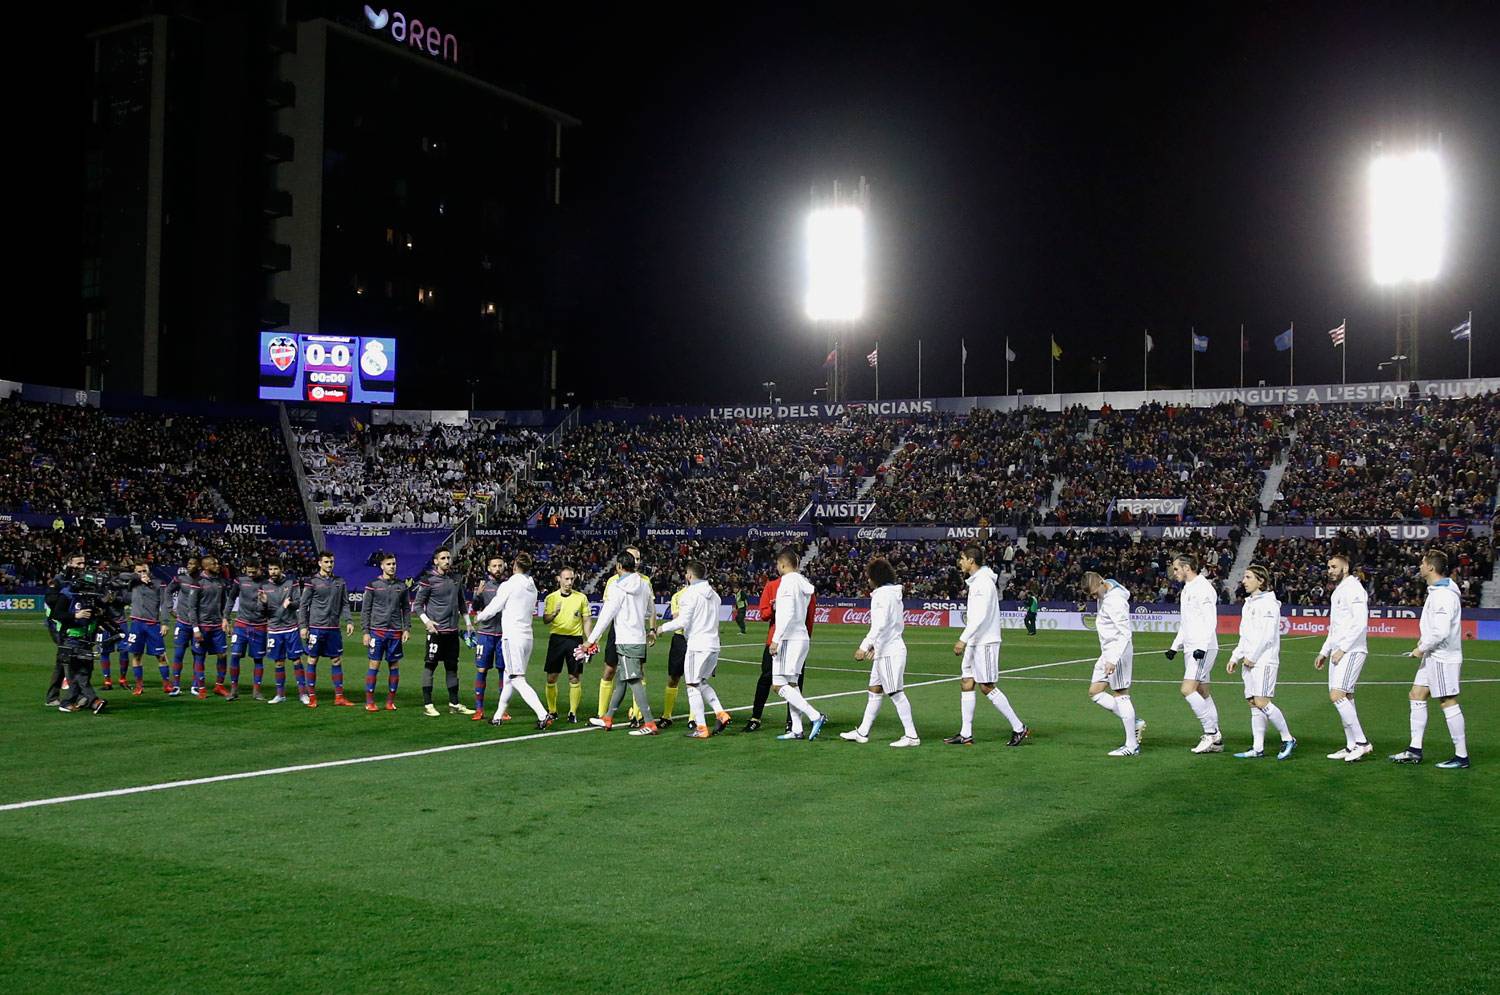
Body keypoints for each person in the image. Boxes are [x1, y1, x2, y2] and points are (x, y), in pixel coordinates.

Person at [1390, 550, 1469, 769]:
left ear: (1431, 567)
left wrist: (1421, 648)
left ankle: (1461, 756)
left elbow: (1441, 631)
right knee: (1416, 694)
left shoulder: (1443, 595)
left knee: (1447, 701)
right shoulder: (1438, 591)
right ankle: (1414, 750)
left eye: (1423, 563)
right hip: (1434, 655)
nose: (1420, 566)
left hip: (1442, 656)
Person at [944, 545, 1028, 747]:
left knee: (986, 686)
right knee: (967, 682)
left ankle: (1019, 727)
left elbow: (980, 616)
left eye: (962, 558)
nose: (960, 562)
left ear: (971, 560)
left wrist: (963, 639)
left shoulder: (983, 583)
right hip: (976, 641)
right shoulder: (978, 581)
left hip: (985, 641)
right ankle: (966, 734)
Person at [839, 556, 919, 747]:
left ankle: (911, 736)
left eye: (869, 576)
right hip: (885, 649)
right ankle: (862, 732)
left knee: (896, 693)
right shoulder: (891, 594)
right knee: (874, 689)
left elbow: (880, 624)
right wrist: (875, 646)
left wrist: (864, 646)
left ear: (876, 577)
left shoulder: (882, 595)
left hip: (890, 652)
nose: (868, 580)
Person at [584, 551, 660, 736]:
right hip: (638, 638)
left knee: (633, 680)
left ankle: (649, 722)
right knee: (621, 679)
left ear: (619, 566)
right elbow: (650, 610)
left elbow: (606, 615)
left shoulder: (617, 587)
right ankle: (608, 718)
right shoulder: (644, 585)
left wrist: (591, 640)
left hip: (625, 640)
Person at [1225, 565, 1296, 760]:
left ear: (1261, 581)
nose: (1244, 581)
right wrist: (1235, 656)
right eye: (1244, 577)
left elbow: (1267, 636)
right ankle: (1258, 748)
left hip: (1264, 660)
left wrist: (1253, 657)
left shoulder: (1269, 604)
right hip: (1248, 660)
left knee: (1262, 701)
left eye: (1248, 577)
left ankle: (1288, 738)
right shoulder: (1249, 603)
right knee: (1253, 703)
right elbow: (1245, 635)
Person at [657, 559, 733, 738]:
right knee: (701, 682)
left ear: (689, 575)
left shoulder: (689, 595)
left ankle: (701, 727)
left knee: (692, 685)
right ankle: (720, 713)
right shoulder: (714, 595)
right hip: (713, 645)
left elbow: (683, 621)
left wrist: (661, 628)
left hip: (697, 644)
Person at [476, 552, 552, 728]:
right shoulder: (532, 586)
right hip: (527, 637)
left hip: (512, 637)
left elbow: (494, 607)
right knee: (508, 677)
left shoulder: (509, 585)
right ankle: (498, 716)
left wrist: (479, 617)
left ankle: (543, 714)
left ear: (515, 566)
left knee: (516, 678)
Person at [1313, 554, 1373, 762]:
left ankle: (1362, 743)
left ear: (1345, 568)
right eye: (1328, 567)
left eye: (1334, 566)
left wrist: (1344, 648)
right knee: (1346, 697)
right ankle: (1351, 745)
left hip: (1352, 651)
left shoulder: (1354, 589)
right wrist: (1325, 651)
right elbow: (1335, 627)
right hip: (1339, 651)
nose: (1330, 570)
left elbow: (1360, 622)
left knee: (1337, 695)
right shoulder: (1339, 590)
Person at [745, 565, 816, 733]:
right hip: (777, 640)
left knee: (792, 682)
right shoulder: (773, 586)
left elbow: (810, 616)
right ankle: (756, 717)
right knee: (767, 678)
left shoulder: (803, 586)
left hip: (790, 640)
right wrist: (773, 608)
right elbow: (763, 614)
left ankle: (792, 723)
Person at [1082, 571, 1144, 756]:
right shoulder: (1108, 586)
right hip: (1107, 651)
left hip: (1118, 651)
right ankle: (1134, 722)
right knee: (1095, 692)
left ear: (1102, 583)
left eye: (1095, 593)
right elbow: (1112, 583)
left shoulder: (1115, 601)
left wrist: (1113, 659)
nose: (1095, 598)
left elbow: (1125, 633)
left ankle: (1131, 746)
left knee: (1120, 694)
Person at [769, 547, 827, 742]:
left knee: (778, 684)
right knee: (792, 685)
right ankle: (797, 729)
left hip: (789, 638)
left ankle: (815, 716)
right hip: (800, 636)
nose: (777, 568)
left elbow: (787, 614)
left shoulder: (787, 582)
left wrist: (776, 639)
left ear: (783, 564)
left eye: (778, 564)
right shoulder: (802, 583)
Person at [1167, 553, 1223, 754]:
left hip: (1201, 648)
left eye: (1176, 568)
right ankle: (1217, 740)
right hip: (1192, 647)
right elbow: (1186, 621)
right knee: (1202, 692)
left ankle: (1210, 733)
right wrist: (1175, 646)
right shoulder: (1187, 588)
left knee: (1187, 689)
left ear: (1187, 567)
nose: (1174, 572)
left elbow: (1210, 620)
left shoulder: (1203, 588)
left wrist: (1203, 646)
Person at [412, 547, 474, 717]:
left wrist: (468, 623)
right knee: (430, 666)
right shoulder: (428, 580)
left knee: (452, 668)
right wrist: (427, 622)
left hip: (452, 632)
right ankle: (428, 704)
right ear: (436, 561)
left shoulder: (456, 579)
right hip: (436, 633)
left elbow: (461, 602)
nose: (447, 561)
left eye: (448, 557)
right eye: (443, 558)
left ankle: (454, 703)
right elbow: (417, 605)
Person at [300, 551, 357, 707]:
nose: (329, 564)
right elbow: (303, 605)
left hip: (333, 628)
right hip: (316, 628)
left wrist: (349, 621)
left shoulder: (340, 582)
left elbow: (345, 603)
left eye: (331, 561)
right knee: (312, 659)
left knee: (336, 660)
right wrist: (303, 626)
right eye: (326, 562)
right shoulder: (312, 582)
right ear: (320, 563)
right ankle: (312, 697)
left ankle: (339, 697)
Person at [49, 566, 109, 715]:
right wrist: (76, 616)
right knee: (80, 673)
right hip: (71, 638)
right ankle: (94, 700)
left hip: (86, 639)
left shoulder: (89, 597)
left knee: (85, 671)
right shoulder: (68, 594)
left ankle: (67, 702)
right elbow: (56, 614)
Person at [541, 565, 590, 723]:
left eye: (571, 579)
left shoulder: (581, 598)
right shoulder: (551, 598)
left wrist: (590, 639)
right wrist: (554, 613)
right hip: (556, 639)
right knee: (551, 677)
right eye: (566, 579)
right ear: (559, 579)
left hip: (575, 640)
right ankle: (552, 711)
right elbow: (545, 620)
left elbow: (586, 620)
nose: (569, 582)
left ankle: (572, 712)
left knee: (574, 677)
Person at [362, 553, 410, 712]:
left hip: (395, 632)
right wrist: (366, 632)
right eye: (389, 564)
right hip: (377, 631)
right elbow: (366, 610)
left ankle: (390, 702)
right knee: (374, 665)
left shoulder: (402, 586)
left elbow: (406, 609)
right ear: (382, 566)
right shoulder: (373, 585)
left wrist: (406, 628)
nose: (392, 566)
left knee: (394, 666)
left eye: (394, 564)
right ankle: (369, 702)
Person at [466, 554, 507, 722]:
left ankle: (503, 710)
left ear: (504, 567)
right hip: (485, 634)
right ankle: (479, 709)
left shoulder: (508, 586)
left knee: (503, 672)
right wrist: (477, 595)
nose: (497, 568)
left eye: (500, 565)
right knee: (482, 670)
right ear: (489, 568)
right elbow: (475, 608)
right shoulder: (484, 586)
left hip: (504, 635)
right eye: (494, 566)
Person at [263, 560, 309, 705]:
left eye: (275, 569)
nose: (273, 572)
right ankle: (280, 695)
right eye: (270, 569)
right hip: (274, 630)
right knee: (278, 662)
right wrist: (263, 603)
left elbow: (298, 603)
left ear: (281, 569)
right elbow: (264, 612)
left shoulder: (291, 583)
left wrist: (290, 604)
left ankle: (303, 694)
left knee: (296, 660)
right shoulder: (264, 586)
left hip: (291, 628)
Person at [189, 554, 232, 699]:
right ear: (206, 566)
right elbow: (192, 608)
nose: (217, 566)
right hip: (202, 626)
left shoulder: (220, 582)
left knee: (223, 654)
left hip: (217, 626)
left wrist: (226, 620)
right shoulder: (197, 583)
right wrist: (195, 629)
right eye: (214, 564)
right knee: (200, 656)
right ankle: (201, 688)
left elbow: (224, 604)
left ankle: (219, 685)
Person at [228, 561, 273, 701]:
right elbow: (231, 598)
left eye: (254, 572)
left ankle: (256, 691)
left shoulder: (267, 584)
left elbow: (272, 606)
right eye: (249, 572)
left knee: (258, 659)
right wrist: (225, 618)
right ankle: (233, 689)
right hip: (241, 625)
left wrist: (265, 603)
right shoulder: (240, 580)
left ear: (260, 569)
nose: (251, 574)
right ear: (245, 569)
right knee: (235, 656)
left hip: (260, 626)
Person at [124, 561, 171, 695]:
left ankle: (167, 684)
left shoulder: (159, 583)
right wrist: (137, 577)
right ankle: (139, 686)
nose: (142, 573)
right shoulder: (133, 583)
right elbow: (121, 576)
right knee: (136, 655)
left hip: (153, 624)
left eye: (144, 570)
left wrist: (165, 622)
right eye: (139, 571)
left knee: (161, 656)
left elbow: (164, 604)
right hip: (137, 624)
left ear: (149, 570)